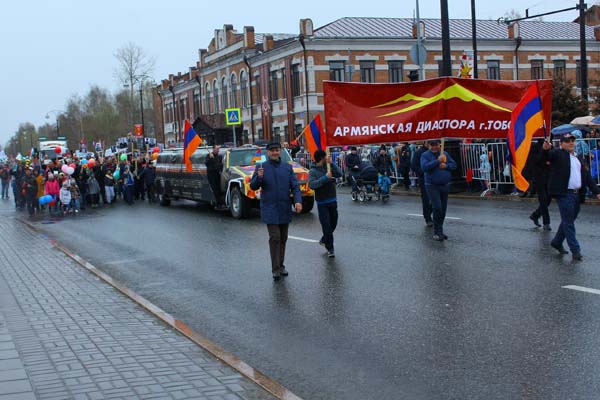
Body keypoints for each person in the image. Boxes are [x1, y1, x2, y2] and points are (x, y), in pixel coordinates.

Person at [250, 142, 302, 281]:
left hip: (284, 208)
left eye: (277, 150)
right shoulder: (261, 167)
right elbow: (253, 186)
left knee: (283, 238)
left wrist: (298, 201)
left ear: (280, 151)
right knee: (275, 238)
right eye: (272, 150)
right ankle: (275, 268)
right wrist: (259, 177)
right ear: (268, 152)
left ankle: (281, 265)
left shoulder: (287, 167)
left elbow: (295, 186)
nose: (275, 153)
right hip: (270, 208)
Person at [543, 134, 600, 261]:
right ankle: (576, 250)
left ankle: (557, 241)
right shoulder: (558, 154)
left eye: (572, 141)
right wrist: (546, 149)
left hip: (577, 194)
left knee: (568, 221)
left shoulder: (579, 158)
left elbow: (588, 177)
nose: (571, 143)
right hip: (564, 194)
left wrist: (597, 192)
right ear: (562, 143)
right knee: (568, 222)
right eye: (567, 141)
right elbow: (548, 156)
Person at [420, 139, 457, 241]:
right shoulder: (425, 155)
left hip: (444, 185)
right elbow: (424, 167)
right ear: (429, 145)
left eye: (436, 144)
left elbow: (454, 165)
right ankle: (436, 232)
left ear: (439, 144)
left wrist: (446, 165)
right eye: (432, 145)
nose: (434, 147)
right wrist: (437, 161)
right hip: (432, 185)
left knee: (443, 210)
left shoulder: (444, 153)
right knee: (437, 207)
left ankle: (440, 230)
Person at [309, 150, 342, 258]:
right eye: (325, 157)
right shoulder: (313, 171)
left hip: (332, 200)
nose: (327, 159)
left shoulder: (328, 166)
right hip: (322, 202)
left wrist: (331, 164)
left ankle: (324, 239)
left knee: (334, 223)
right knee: (326, 226)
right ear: (321, 158)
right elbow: (312, 185)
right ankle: (330, 248)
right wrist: (325, 178)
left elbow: (339, 174)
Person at [529, 139, 552, 230]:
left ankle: (535, 215)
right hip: (538, 177)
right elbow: (537, 161)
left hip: (549, 176)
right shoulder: (534, 147)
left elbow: (551, 159)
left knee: (548, 199)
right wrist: (543, 150)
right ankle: (546, 223)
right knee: (543, 200)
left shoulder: (550, 146)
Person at [411, 142, 433, 227]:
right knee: (426, 199)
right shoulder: (419, 152)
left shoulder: (435, 152)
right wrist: (423, 172)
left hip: (434, 179)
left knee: (436, 200)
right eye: (430, 142)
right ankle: (428, 218)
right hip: (424, 179)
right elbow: (414, 166)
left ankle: (430, 212)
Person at [206, 145, 225, 209]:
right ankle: (218, 204)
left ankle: (220, 203)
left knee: (219, 189)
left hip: (218, 174)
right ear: (213, 149)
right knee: (215, 190)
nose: (218, 150)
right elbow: (207, 164)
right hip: (211, 175)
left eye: (218, 149)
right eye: (217, 149)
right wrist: (211, 158)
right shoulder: (208, 156)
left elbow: (220, 165)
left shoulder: (219, 157)